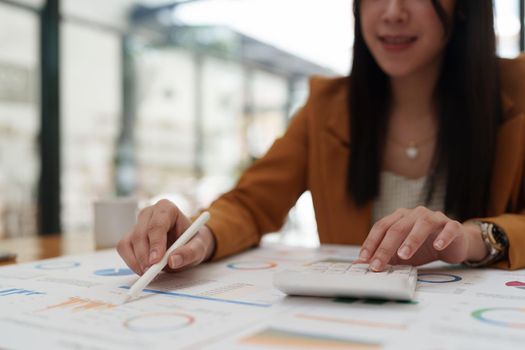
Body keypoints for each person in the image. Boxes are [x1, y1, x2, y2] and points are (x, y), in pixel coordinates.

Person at [118, 0, 525, 276]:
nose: (392, 12)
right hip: (357, 321)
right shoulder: (327, 106)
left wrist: (474, 238)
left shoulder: (519, 91)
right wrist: (197, 237)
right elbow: (250, 204)